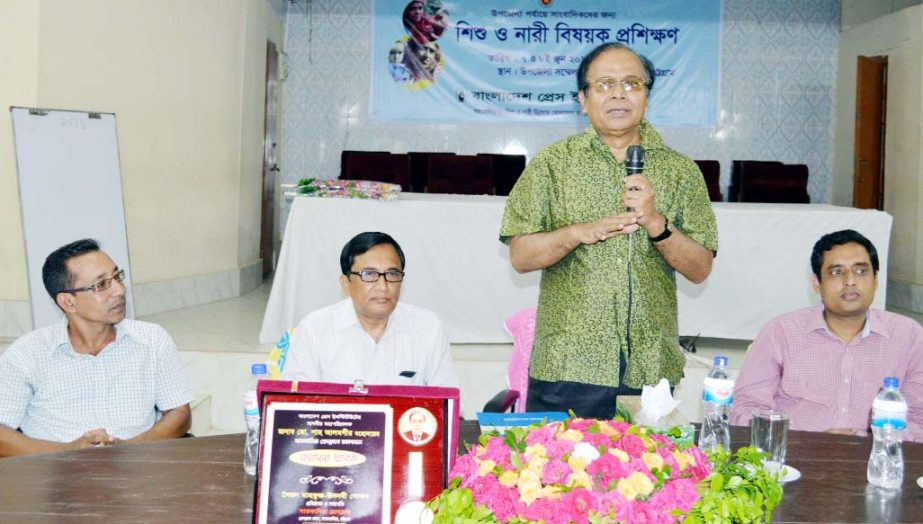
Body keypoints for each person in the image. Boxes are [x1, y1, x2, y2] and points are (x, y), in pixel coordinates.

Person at [499, 42, 718, 419]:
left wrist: (656, 223)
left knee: (648, 477)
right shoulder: (552, 165)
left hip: (649, 367)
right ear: (583, 99)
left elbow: (700, 269)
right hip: (568, 364)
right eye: (604, 85)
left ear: (647, 97)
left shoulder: (681, 171)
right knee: (559, 476)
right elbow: (520, 256)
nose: (619, 93)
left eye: (632, 83)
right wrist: (577, 233)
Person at [0, 239, 194, 457]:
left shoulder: (152, 339)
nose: (119, 290)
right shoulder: (27, 354)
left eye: (117, 277)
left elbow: (180, 413)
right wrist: (67, 452)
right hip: (55, 479)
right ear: (68, 302)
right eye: (101, 285)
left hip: (139, 470)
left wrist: (129, 449)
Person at [730, 230, 923, 441]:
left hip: (879, 461)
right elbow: (745, 410)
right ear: (817, 283)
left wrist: (874, 443)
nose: (850, 281)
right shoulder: (781, 332)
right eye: (837, 272)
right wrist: (809, 440)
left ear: (875, 280)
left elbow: (919, 418)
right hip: (794, 460)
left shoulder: (909, 336)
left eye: (861, 271)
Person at [281, 232, 459, 388]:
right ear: (345, 284)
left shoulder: (427, 328)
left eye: (392, 274)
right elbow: (295, 406)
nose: (382, 286)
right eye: (369, 274)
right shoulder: (314, 329)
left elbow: (449, 404)